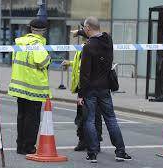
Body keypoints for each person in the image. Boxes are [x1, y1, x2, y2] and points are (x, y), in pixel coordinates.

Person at [78, 16, 132, 163]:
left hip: (90, 89)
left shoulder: (88, 47)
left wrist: (80, 94)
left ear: (88, 28)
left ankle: (92, 153)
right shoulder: (108, 40)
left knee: (89, 120)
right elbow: (97, 33)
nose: (83, 30)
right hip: (105, 88)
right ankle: (120, 151)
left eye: (84, 28)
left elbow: (84, 73)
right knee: (111, 119)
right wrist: (80, 32)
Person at [8, 18, 52, 155]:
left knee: (21, 116)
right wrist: (49, 57)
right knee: (32, 119)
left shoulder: (20, 42)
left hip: (19, 86)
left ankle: (20, 145)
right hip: (33, 88)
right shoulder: (37, 44)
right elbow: (42, 62)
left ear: (31, 29)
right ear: (43, 31)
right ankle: (28, 147)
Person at [61, 26, 103, 152]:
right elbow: (81, 64)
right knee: (82, 116)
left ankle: (94, 142)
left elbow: (88, 67)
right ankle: (83, 140)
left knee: (92, 116)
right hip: (83, 86)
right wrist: (70, 63)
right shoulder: (84, 46)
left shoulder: (93, 46)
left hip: (90, 87)